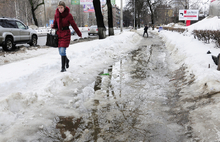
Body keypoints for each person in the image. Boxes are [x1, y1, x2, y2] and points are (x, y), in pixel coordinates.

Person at [51, 1, 82, 72]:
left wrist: (79, 33)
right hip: (59, 34)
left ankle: (63, 68)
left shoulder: (69, 15)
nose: (60, 9)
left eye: (61, 7)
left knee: (62, 50)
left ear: (64, 7)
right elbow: (55, 24)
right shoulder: (56, 15)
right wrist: (53, 26)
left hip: (66, 34)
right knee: (60, 52)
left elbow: (74, 25)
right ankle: (66, 60)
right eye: (59, 8)